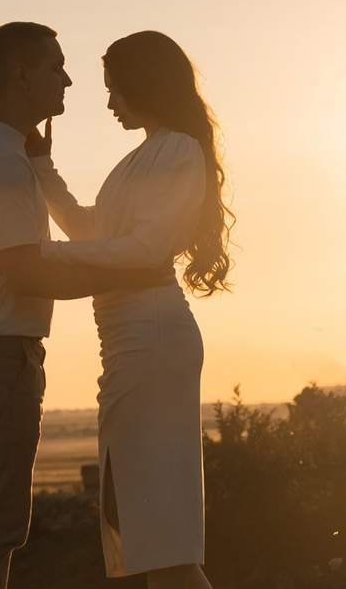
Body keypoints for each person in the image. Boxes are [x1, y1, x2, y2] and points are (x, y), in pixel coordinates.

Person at [0, 22, 171, 589]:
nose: (67, 79)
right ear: (21, 73)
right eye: (56, 66)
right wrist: (127, 275)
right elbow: (24, 272)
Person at [33, 31, 233, 587]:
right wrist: (43, 170)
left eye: (114, 89)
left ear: (143, 84)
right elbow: (95, 231)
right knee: (141, 525)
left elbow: (145, 249)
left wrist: (41, 257)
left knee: (157, 530)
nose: (109, 102)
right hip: (129, 340)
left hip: (153, 337)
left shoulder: (177, 150)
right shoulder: (147, 154)